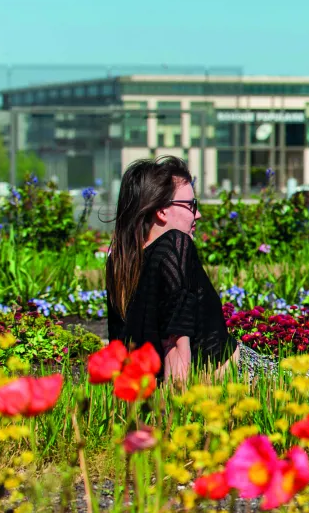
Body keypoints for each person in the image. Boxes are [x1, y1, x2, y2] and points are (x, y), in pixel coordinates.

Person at [107, 157, 273, 386]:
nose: (198, 215)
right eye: (190, 205)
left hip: (145, 393)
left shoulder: (120, 259)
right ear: (162, 211)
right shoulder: (175, 245)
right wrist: (179, 414)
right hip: (246, 382)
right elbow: (175, 343)